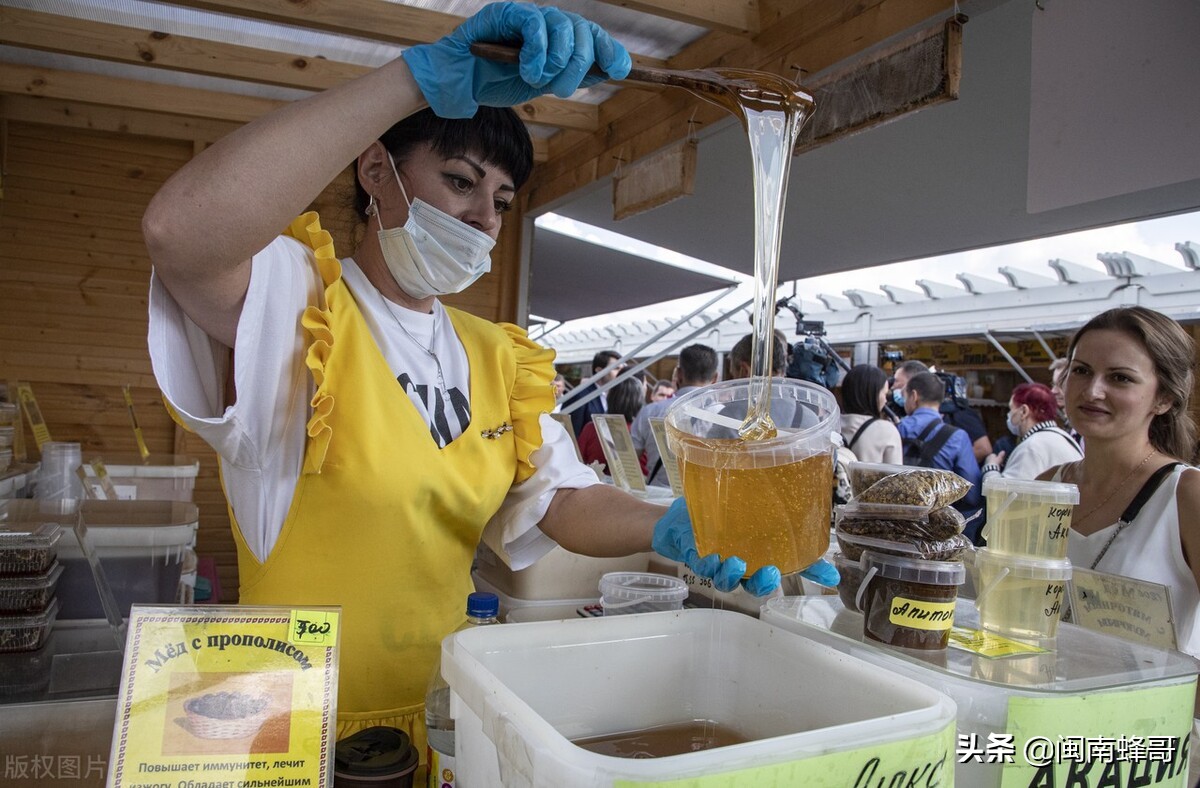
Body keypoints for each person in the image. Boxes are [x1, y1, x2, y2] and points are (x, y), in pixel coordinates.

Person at [140, 2, 783, 746]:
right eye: (459, 181)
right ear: (376, 169)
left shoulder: (497, 356)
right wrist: (410, 81)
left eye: (502, 200)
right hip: (287, 734)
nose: (484, 218)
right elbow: (178, 231)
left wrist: (671, 524)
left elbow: (559, 501)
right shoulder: (300, 306)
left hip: (446, 720)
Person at [1042, 306, 1200, 659]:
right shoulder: (1046, 486)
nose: (1093, 391)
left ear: (1164, 398)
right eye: (1081, 371)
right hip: (1035, 706)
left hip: (1148, 711)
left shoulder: (1185, 494)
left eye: (1120, 378)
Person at [897, 372, 983, 526]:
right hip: (938, 527)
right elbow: (972, 495)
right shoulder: (958, 437)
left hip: (898, 519)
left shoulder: (898, 428)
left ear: (914, 396)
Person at [630, 344, 720, 488]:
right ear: (715, 377)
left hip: (657, 496)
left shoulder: (650, 411)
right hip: (701, 501)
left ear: (678, 373)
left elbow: (630, 459)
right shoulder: (724, 416)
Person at [888, 360, 992, 463]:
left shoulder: (957, 414)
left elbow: (983, 448)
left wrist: (950, 460)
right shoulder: (902, 416)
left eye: (897, 381)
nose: (893, 387)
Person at [981, 382, 1081, 481]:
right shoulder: (1062, 438)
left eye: (1011, 409)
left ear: (1024, 411)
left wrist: (991, 467)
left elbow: (1005, 494)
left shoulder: (1032, 447)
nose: (1009, 415)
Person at [577, 376, 648, 476]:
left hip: (593, 486)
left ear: (610, 397)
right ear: (639, 401)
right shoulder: (640, 432)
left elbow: (578, 461)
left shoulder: (591, 428)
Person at [839, 364, 903, 464]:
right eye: (884, 394)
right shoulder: (887, 431)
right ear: (873, 395)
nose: (885, 400)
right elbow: (896, 476)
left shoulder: (828, 426)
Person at [562, 349, 622, 437]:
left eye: (622, 368)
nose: (621, 373)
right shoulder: (580, 396)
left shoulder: (617, 396)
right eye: (616, 368)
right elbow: (573, 433)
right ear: (599, 370)